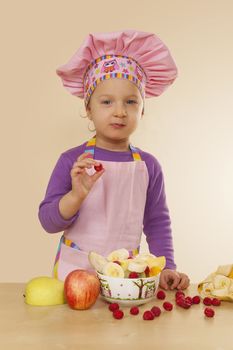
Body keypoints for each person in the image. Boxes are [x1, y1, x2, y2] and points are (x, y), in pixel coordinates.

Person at [38, 30, 190, 290]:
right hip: (73, 277)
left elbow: (157, 221)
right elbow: (48, 221)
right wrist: (76, 196)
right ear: (89, 108)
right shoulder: (72, 161)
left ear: (142, 109)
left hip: (127, 281)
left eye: (130, 102)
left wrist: (167, 267)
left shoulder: (148, 166)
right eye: (107, 101)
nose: (119, 111)